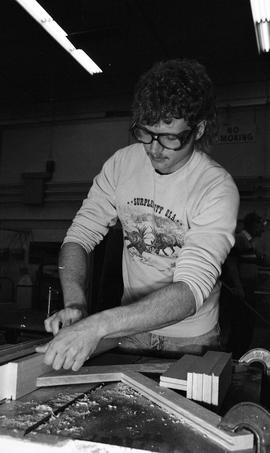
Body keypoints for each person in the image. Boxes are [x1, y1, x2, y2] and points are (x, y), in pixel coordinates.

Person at [36, 58, 239, 371]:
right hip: (129, 329)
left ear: (198, 129)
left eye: (170, 138)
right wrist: (75, 304)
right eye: (146, 133)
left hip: (191, 339)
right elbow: (78, 237)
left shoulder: (215, 187)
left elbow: (190, 290)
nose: (155, 149)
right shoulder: (121, 164)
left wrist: (98, 326)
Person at [220, 212, 268, 357]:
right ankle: (234, 356)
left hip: (248, 289)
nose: (263, 229)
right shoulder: (240, 239)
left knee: (246, 325)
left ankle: (239, 354)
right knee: (240, 325)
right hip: (241, 291)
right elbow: (232, 264)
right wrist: (238, 287)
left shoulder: (249, 243)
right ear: (253, 224)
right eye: (261, 225)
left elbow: (256, 261)